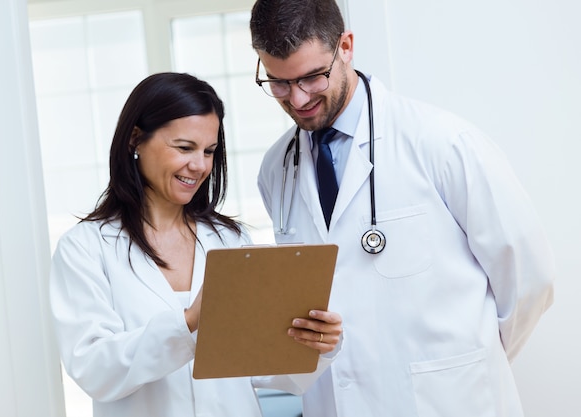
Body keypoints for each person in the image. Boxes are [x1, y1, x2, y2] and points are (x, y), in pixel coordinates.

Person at [249, 1, 555, 416]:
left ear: (346, 47)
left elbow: (528, 279)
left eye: (311, 77)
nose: (298, 98)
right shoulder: (276, 169)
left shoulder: (441, 143)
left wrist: (466, 366)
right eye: (279, 83)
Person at [49, 72, 343, 417]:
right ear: (135, 140)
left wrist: (316, 345)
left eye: (209, 151)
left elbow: (263, 369)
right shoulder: (85, 249)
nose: (200, 165)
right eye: (185, 147)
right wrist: (189, 320)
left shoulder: (230, 240)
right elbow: (95, 370)